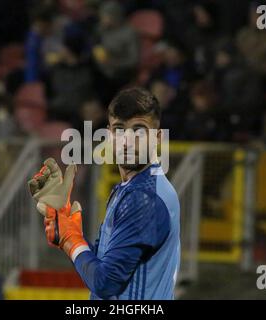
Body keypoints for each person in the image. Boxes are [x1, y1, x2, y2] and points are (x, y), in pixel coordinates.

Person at [29, 87, 181, 300]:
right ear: (109, 135)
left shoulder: (143, 198)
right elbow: (102, 264)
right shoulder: (131, 189)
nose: (127, 141)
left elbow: (106, 282)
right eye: (119, 130)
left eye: (138, 130)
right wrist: (68, 230)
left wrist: (71, 239)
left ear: (156, 138)